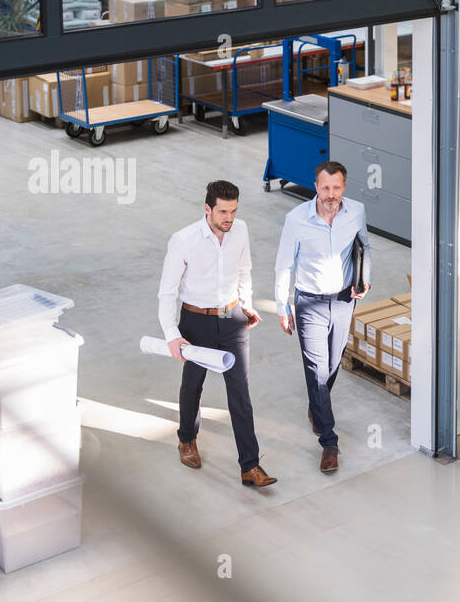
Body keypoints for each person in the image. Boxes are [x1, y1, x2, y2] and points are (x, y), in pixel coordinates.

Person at [157, 180, 277, 487]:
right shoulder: (183, 240)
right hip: (196, 321)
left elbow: (244, 270)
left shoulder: (241, 230)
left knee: (240, 392)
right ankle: (186, 438)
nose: (229, 218)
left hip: (232, 318)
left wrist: (246, 305)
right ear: (207, 208)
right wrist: (172, 334)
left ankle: (250, 466)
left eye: (233, 211)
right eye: (223, 211)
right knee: (193, 384)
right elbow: (167, 292)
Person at [273, 161, 372, 473]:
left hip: (344, 300)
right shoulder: (297, 220)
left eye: (337, 188)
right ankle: (329, 442)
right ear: (315, 187)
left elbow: (365, 246)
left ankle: (317, 405)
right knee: (317, 370)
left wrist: (365, 279)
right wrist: (282, 306)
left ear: (344, 187)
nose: (332, 195)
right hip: (310, 303)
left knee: (332, 364)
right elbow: (283, 265)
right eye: (326, 188)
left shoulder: (355, 211)